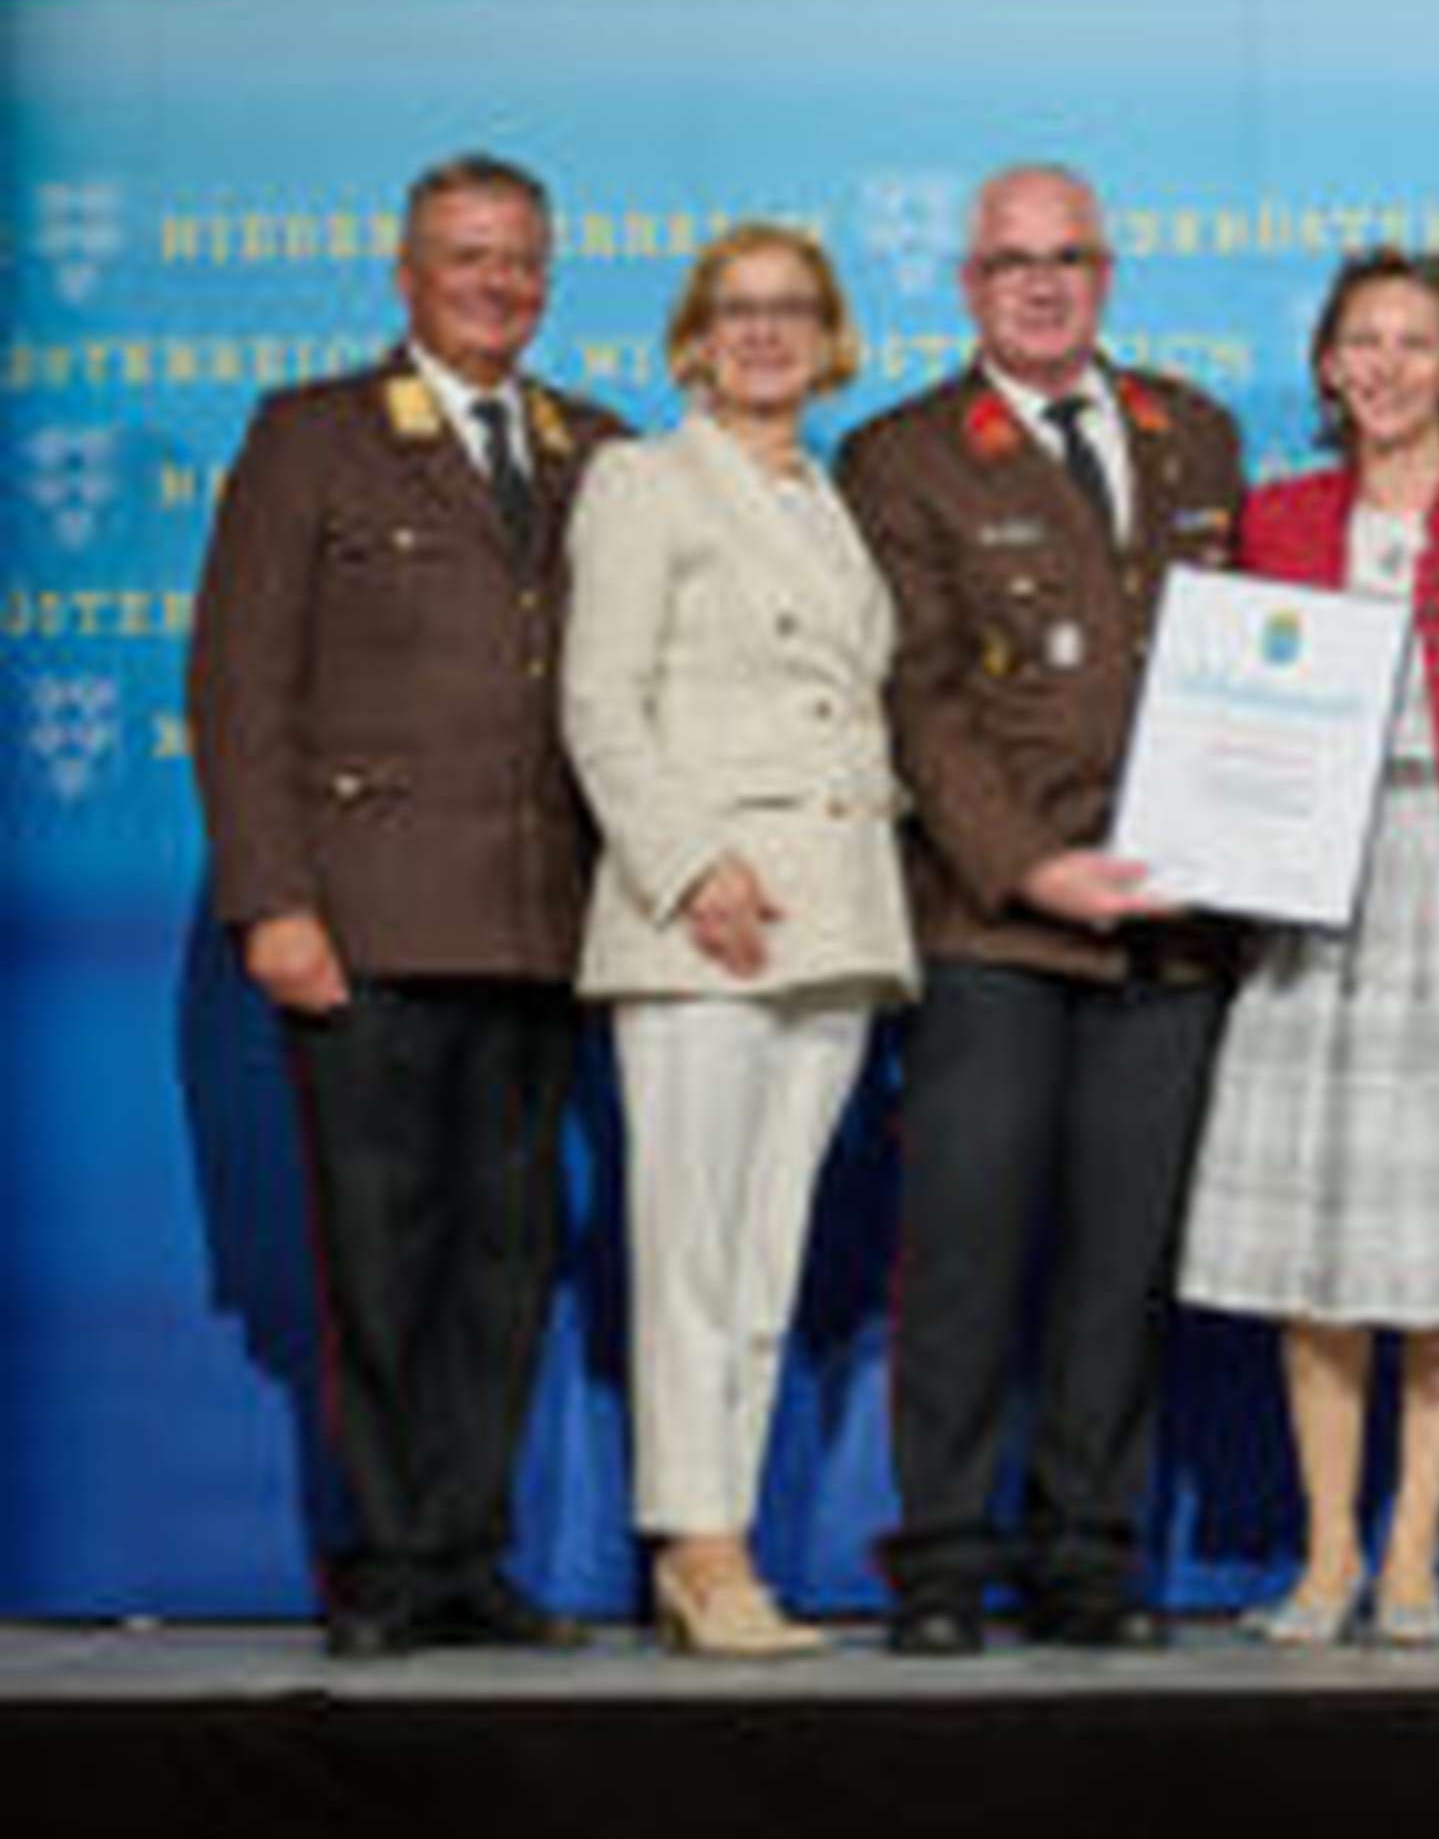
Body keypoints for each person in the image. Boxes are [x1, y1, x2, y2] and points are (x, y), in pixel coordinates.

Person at [188, 152, 621, 1659]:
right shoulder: (311, 436)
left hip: (539, 925)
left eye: (520, 259)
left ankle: (469, 1556)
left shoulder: (595, 450)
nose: (497, 282)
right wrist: (271, 899)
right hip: (362, 925)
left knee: (509, 1261)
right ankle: (381, 1563)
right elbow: (238, 688)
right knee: (380, 1253)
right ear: (405, 271)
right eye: (466, 257)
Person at [838, 164, 1245, 1656]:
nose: (1043, 282)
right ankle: (941, 1557)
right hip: (994, 924)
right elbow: (920, 701)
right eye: (1013, 261)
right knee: (964, 1252)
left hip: (1174, 929)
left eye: (1069, 255)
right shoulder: (899, 453)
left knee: (1120, 1262)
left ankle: (1087, 1553)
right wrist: (1033, 866)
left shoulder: (1192, 430)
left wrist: (1246, 839)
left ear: (1108, 270)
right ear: (967, 284)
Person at [1175, 249, 1439, 1648]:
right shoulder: (1275, 517)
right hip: (1307, 910)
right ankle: (1326, 1551)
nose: (1389, 366)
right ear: (1327, 365)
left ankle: (1415, 1551)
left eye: (1417, 342)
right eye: (1363, 340)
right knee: (1318, 1254)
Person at [561, 225, 915, 1657]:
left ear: (831, 338)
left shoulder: (830, 498)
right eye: (736, 309)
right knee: (691, 1247)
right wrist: (689, 862)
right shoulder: (644, 480)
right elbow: (599, 699)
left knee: (767, 1252)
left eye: (792, 310)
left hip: (831, 908)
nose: (764, 333)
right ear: (692, 338)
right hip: (705, 913)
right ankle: (696, 1543)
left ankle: (731, 1537)